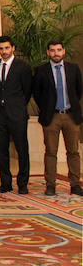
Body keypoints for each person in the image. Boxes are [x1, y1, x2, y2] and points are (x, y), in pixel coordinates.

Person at [33, 40, 82, 197]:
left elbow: (79, 91)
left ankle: (75, 185)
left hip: (70, 115)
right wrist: (47, 108)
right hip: (51, 116)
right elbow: (37, 93)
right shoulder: (41, 70)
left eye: (59, 50)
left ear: (64, 51)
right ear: (48, 52)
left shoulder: (74, 69)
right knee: (51, 152)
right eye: (53, 50)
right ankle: (51, 185)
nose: (56, 53)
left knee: (73, 151)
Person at [0, 36, 32, 194]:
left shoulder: (23, 67)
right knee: (1, 150)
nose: (4, 51)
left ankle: (23, 184)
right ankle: (5, 183)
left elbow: (27, 91)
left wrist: (18, 107)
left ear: (13, 48)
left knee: (22, 149)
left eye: (7, 48)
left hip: (17, 114)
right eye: (1, 48)